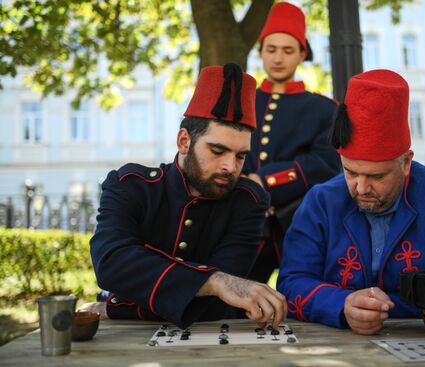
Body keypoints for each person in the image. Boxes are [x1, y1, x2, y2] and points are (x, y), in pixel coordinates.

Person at [276, 69, 425, 335]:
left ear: (406, 162)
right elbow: (291, 283)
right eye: (350, 172)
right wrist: (342, 304)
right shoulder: (321, 201)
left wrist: (383, 309)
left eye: (376, 175)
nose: (361, 187)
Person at [84, 63, 287, 329]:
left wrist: (117, 308)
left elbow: (214, 307)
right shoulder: (130, 185)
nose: (230, 166)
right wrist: (215, 282)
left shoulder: (248, 201)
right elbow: (110, 264)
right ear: (184, 141)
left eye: (240, 156)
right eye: (217, 150)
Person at [244, 2, 340, 283]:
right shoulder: (243, 101)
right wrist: (248, 190)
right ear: (260, 52)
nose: (277, 58)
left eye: (287, 50)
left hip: (298, 221)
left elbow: (326, 164)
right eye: (270, 49)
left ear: (302, 54)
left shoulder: (323, 109)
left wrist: (265, 181)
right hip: (246, 220)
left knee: (303, 296)